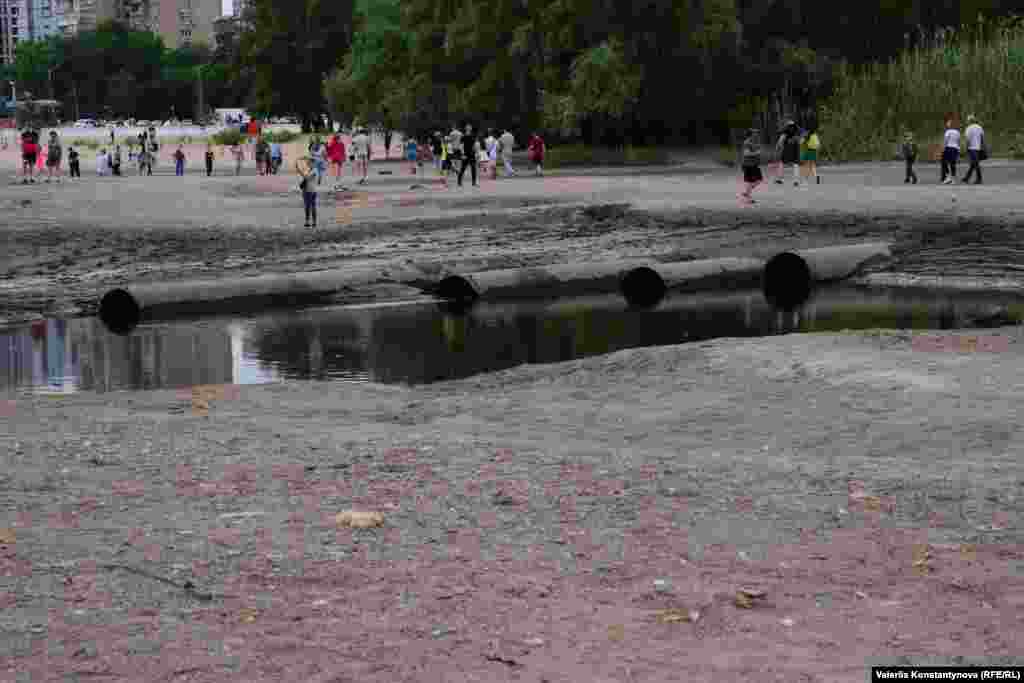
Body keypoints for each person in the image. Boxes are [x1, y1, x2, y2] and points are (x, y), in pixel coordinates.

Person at [739, 128, 763, 204]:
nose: (756, 134)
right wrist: (757, 153)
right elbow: (746, 153)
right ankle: (747, 198)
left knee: (759, 180)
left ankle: (746, 192)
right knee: (751, 181)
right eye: (754, 133)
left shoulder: (754, 142)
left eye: (756, 133)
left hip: (754, 164)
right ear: (750, 135)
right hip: (748, 165)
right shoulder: (747, 142)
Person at [775, 120, 801, 186]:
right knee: (793, 165)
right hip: (791, 150)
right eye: (790, 126)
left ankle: (781, 179)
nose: (791, 128)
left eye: (791, 126)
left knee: (784, 163)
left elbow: (781, 140)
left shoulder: (787, 132)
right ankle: (795, 181)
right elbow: (780, 142)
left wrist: (778, 147)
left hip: (790, 150)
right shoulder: (794, 132)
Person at [962, 114, 985, 185]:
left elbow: (967, 140)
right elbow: (982, 138)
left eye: (968, 120)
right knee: (973, 164)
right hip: (978, 148)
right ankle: (966, 178)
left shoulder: (968, 128)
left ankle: (979, 179)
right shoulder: (979, 127)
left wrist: (965, 148)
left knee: (975, 164)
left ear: (969, 121)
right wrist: (982, 147)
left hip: (971, 148)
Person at [297, 156, 318, 227]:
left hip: (312, 191)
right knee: (307, 207)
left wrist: (299, 171)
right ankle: (307, 221)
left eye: (309, 162)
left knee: (312, 206)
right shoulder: (308, 169)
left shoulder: (315, 170)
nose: (308, 163)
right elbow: (305, 177)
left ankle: (314, 221)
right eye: (308, 162)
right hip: (306, 190)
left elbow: (307, 177)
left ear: (313, 163)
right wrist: (299, 170)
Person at [941, 119, 961, 184]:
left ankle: (948, 177)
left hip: (948, 148)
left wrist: (943, 149)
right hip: (955, 149)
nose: (947, 124)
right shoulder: (957, 132)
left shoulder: (948, 132)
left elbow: (945, 141)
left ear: (950, 125)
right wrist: (958, 150)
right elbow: (958, 142)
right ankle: (952, 179)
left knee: (944, 163)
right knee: (953, 164)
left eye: (948, 123)